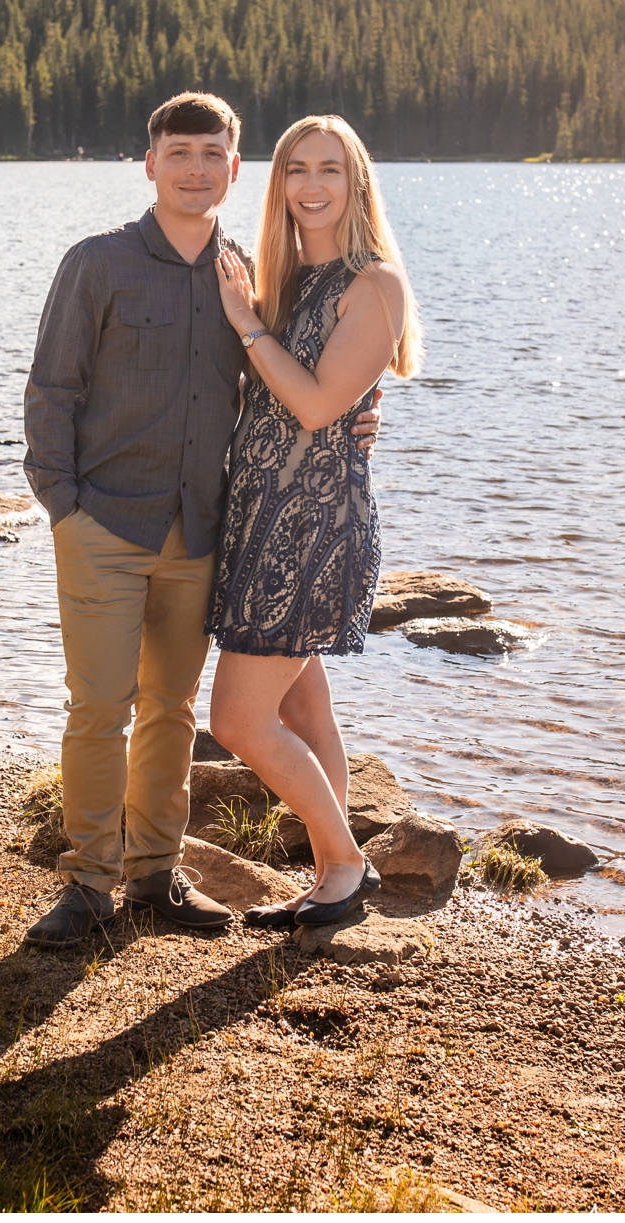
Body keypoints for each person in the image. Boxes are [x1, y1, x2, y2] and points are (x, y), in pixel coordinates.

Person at [20, 91, 380, 948]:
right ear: (150, 163)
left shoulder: (246, 277)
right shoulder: (96, 263)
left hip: (201, 533)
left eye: (211, 154)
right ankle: (89, 882)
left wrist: (361, 412)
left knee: (175, 708)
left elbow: (298, 379)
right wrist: (62, 506)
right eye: (177, 153)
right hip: (102, 524)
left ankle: (155, 872)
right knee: (98, 707)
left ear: (232, 168)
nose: (193, 169)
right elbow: (51, 391)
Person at [207, 114, 420, 929]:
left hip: (313, 529)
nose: (312, 185)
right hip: (258, 518)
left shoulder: (376, 283)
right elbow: (267, 394)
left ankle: (344, 864)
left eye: (330, 168)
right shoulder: (282, 278)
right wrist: (251, 312)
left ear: (356, 181)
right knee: (302, 712)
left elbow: (317, 403)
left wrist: (245, 320)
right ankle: (334, 873)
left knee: (234, 720)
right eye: (296, 168)